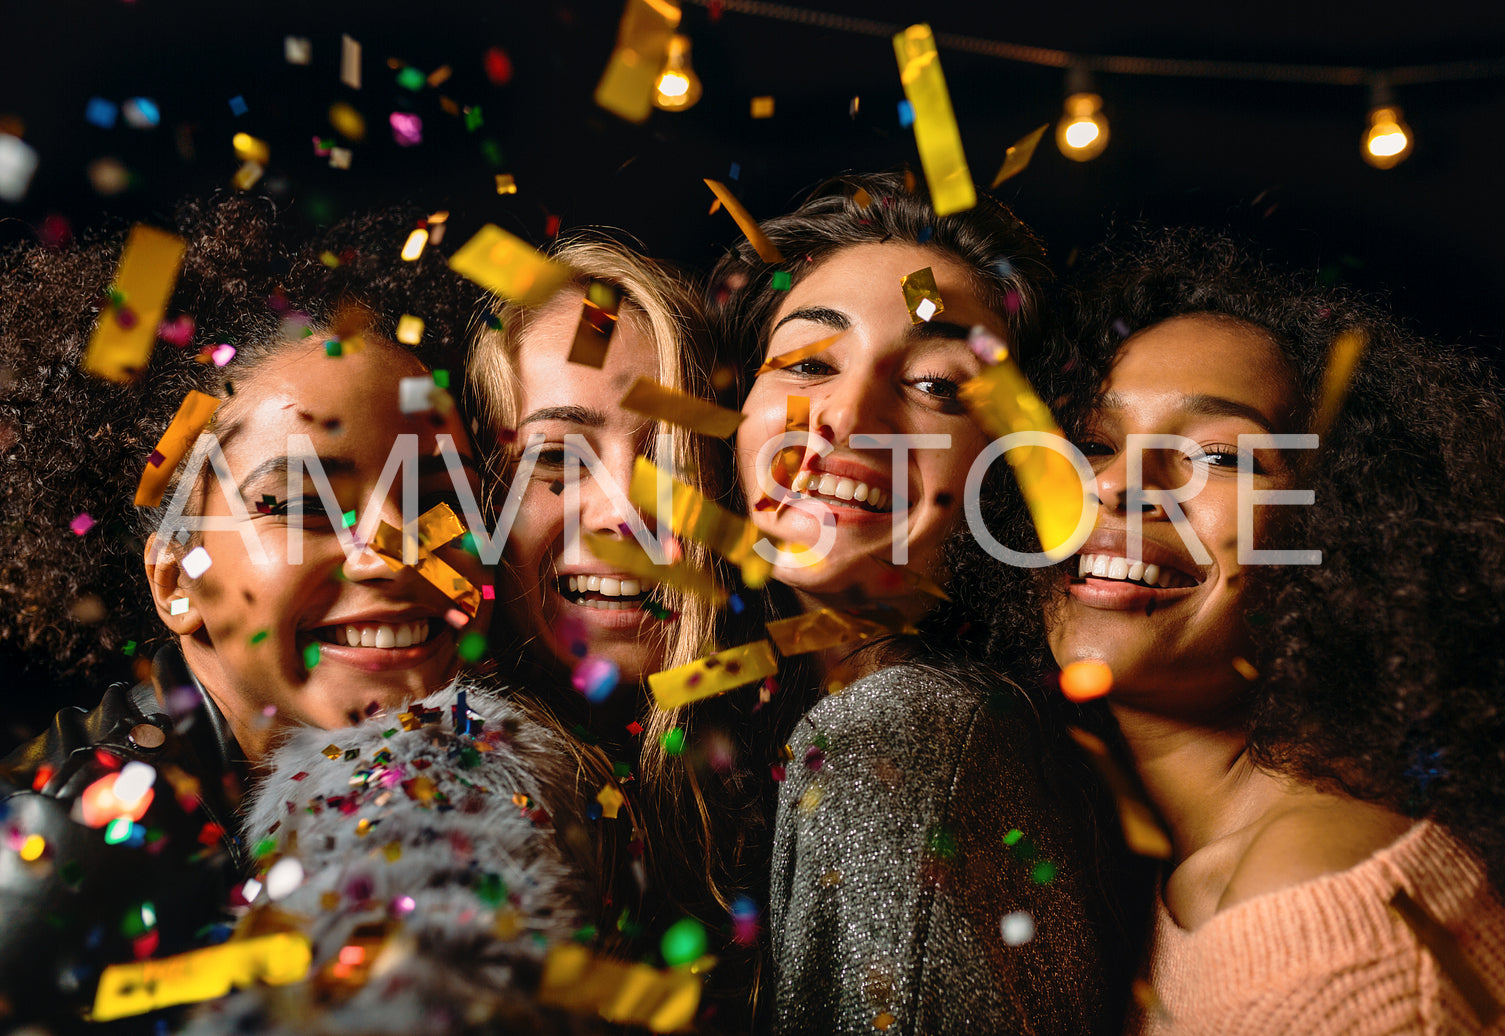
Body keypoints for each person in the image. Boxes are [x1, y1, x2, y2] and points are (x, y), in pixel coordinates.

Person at [0, 197, 504, 1023]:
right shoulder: (81, 856)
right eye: (300, 501)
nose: (386, 553)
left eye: (434, 502)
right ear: (175, 582)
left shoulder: (464, 788)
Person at [1012, 226, 1505, 1034]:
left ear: (1347, 526)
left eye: (1219, 456)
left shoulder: (1325, 937)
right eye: (1092, 443)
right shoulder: (1176, 867)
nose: (1119, 487)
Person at [709, 171, 1142, 1035]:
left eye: (937, 387)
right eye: (807, 362)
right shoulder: (769, 728)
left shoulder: (897, 735)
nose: (847, 415)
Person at [467, 233, 771, 1022]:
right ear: (484, 497)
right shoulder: (444, 806)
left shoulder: (789, 780)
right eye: (558, 457)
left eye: (666, 457)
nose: (618, 514)